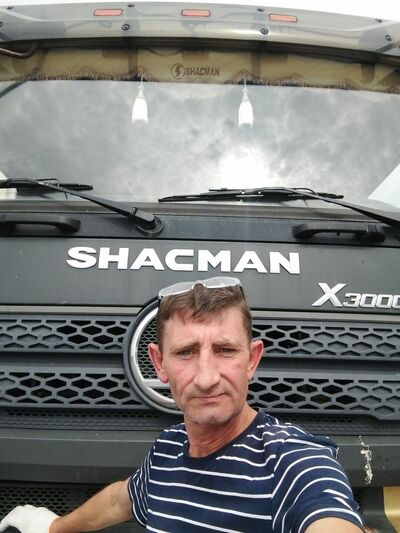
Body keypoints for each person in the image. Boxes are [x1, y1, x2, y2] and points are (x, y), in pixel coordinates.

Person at [0, 277, 364, 533]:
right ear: (159, 364)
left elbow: (327, 514)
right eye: (186, 353)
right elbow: (119, 501)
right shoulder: (167, 448)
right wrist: (53, 526)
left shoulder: (292, 461)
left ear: (252, 360)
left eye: (225, 350)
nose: (206, 378)